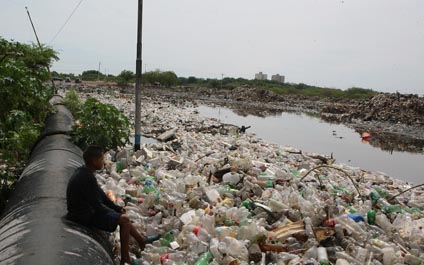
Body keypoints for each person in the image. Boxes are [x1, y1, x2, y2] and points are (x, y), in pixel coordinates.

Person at [66, 145, 146, 265]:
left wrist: (117, 208)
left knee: (123, 217)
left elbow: (102, 196)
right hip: (82, 216)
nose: (104, 162)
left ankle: (141, 241)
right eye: (102, 159)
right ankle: (125, 259)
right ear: (94, 161)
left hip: (82, 211)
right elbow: (98, 206)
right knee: (124, 220)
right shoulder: (87, 178)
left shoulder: (84, 171)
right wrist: (116, 214)